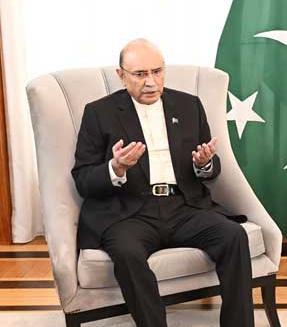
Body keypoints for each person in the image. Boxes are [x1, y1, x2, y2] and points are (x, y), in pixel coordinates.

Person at [71, 39, 254, 327]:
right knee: (127, 254)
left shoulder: (189, 105)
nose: (151, 82)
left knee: (233, 236)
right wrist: (115, 168)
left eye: (157, 72)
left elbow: (210, 165)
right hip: (128, 213)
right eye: (140, 74)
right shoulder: (99, 112)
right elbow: (82, 179)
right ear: (121, 75)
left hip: (183, 207)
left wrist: (203, 163)